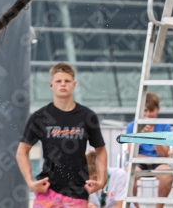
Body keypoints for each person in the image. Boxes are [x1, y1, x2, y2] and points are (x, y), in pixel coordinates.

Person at [16, 62, 107, 207]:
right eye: (58, 81)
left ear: (74, 84)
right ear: (51, 84)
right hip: (47, 190)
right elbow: (22, 151)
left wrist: (101, 181)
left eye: (67, 81)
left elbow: (101, 150)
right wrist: (30, 182)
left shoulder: (87, 116)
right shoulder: (40, 117)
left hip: (77, 192)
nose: (63, 84)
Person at [126, 93, 173, 208]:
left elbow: (164, 154)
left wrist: (152, 136)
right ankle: (135, 206)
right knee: (127, 174)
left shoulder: (165, 126)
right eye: (145, 110)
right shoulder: (132, 126)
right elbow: (132, 152)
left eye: (151, 111)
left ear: (158, 109)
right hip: (140, 161)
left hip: (158, 161)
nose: (147, 114)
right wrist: (139, 135)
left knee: (168, 175)